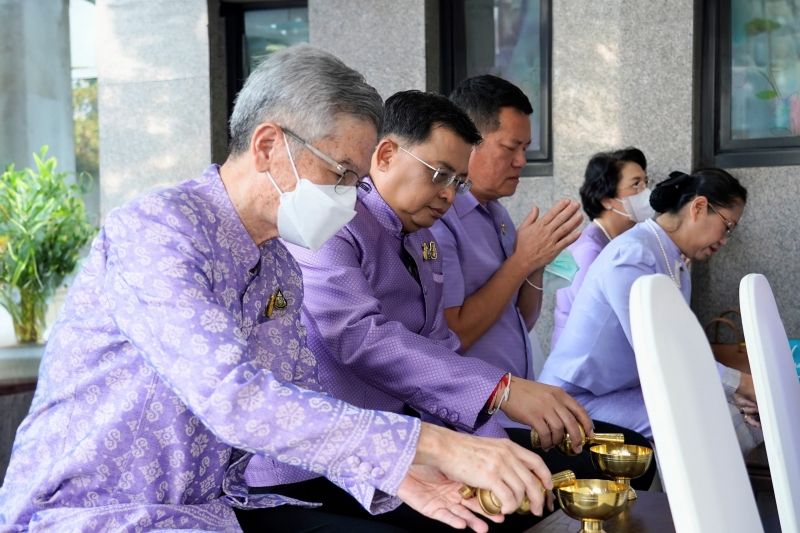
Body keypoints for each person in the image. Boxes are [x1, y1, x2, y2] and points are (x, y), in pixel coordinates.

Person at [0, 46, 551, 533]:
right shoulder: (159, 231)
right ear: (268, 146)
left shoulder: (279, 265)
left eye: (357, 183)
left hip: (210, 508)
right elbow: (235, 398)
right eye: (340, 174)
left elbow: (297, 403)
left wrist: (395, 474)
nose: (351, 198)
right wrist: (429, 444)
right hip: (92, 512)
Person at [241, 89, 582, 533]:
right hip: (311, 464)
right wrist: (499, 391)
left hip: (397, 444)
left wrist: (495, 449)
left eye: (458, 181)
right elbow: (359, 336)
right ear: (383, 155)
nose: (448, 195)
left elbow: (438, 346)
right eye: (439, 174)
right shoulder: (331, 220)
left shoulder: (423, 240)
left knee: (520, 500)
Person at [431, 75, 656, 488]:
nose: (522, 161)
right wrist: (521, 262)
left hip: (520, 403)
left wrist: (535, 265)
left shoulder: (496, 214)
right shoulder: (439, 218)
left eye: (525, 149)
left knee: (631, 453)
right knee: (615, 465)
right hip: (473, 416)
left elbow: (521, 319)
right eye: (511, 148)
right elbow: (454, 333)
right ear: (468, 142)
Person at [538, 169, 761, 443]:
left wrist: (732, 390)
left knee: (734, 414)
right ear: (699, 207)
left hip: (618, 393)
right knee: (703, 420)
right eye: (727, 226)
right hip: (572, 399)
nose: (725, 239)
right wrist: (741, 384)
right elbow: (661, 350)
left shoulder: (672, 260)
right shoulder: (633, 254)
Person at [551, 148, 650, 349]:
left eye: (647, 183)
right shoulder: (588, 250)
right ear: (607, 199)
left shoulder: (617, 241)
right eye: (636, 184)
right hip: (579, 366)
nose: (646, 192)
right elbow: (598, 318)